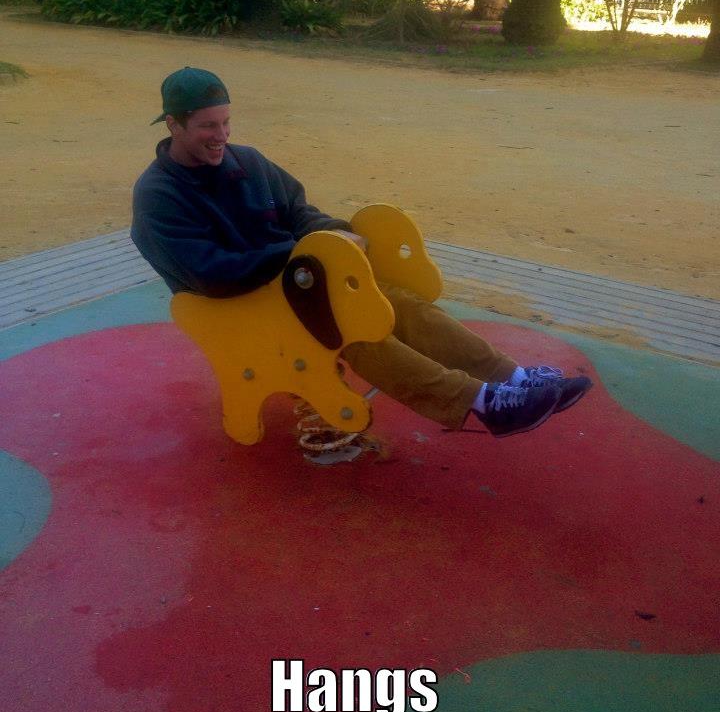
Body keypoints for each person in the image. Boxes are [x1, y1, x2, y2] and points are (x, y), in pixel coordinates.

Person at [131, 68, 591, 438]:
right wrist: (302, 256)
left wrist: (333, 235)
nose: (222, 135)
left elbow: (299, 211)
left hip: (297, 283)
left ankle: (511, 380)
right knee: (356, 328)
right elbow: (209, 273)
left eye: (226, 122)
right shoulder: (159, 195)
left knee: (393, 302)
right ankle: (479, 402)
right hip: (237, 305)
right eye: (208, 126)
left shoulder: (246, 162)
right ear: (173, 124)